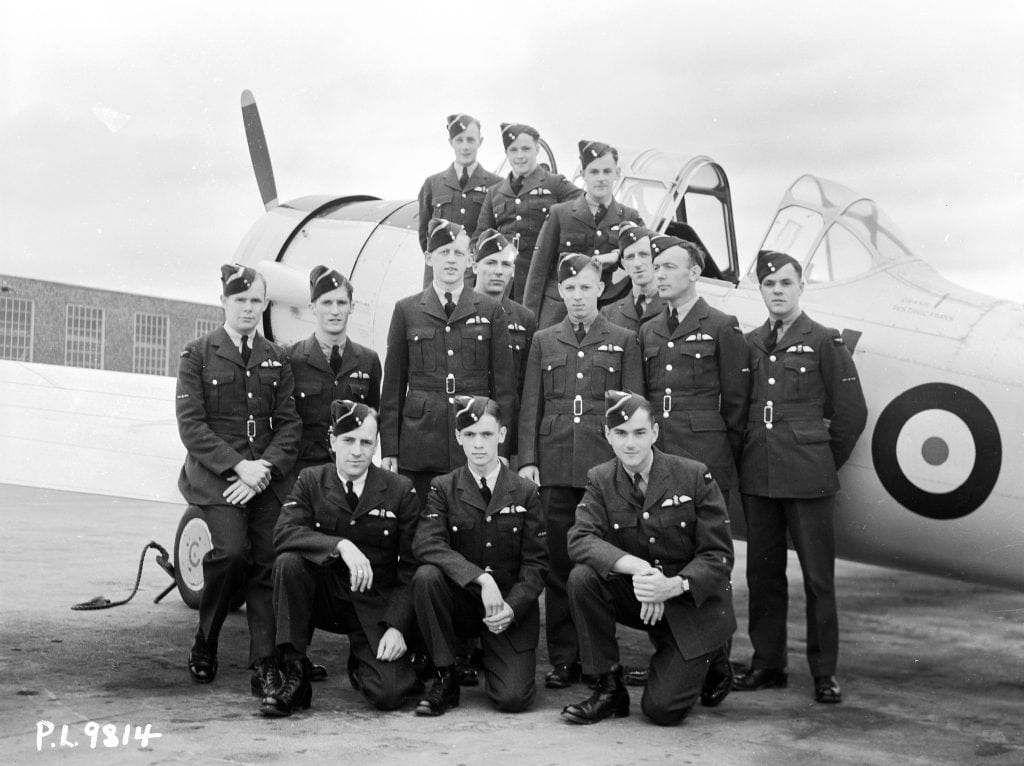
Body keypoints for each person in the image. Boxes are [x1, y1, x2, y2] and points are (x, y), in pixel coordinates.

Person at [731, 250, 867, 704]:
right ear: (760, 290)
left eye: (786, 283)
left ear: (801, 287)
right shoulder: (750, 343)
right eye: (769, 284)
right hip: (760, 475)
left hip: (809, 477)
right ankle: (768, 664)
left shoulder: (825, 341)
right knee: (763, 575)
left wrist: (823, 460)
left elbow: (851, 412)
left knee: (817, 579)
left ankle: (824, 673)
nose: (778, 291)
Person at [561, 391, 736, 726]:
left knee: (662, 711)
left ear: (655, 432)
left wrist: (672, 585)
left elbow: (719, 556)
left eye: (639, 432)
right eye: (621, 433)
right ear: (608, 435)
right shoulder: (600, 478)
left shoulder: (693, 475)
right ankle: (608, 688)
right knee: (583, 578)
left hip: (691, 601)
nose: (630, 444)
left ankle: (712, 654)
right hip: (643, 595)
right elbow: (580, 539)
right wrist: (641, 569)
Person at [175, 264, 301, 703]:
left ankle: (263, 662)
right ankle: (206, 639)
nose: (248, 308)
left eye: (255, 301)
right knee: (229, 554)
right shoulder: (197, 354)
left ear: (265, 304)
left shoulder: (277, 357)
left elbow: (289, 424)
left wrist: (263, 468)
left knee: (269, 557)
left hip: (263, 477)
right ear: (224, 302)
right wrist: (238, 467)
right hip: (217, 479)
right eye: (240, 300)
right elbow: (192, 427)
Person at [517, 254, 642, 689]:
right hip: (554, 466)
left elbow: (632, 412)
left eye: (585, 287)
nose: (577, 296)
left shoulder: (624, 340)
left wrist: (626, 468)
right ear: (560, 291)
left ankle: (595, 659)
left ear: (601, 289)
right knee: (558, 566)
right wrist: (528, 460)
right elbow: (530, 405)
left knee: (598, 566)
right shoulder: (544, 340)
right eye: (569, 288)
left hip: (602, 471)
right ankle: (564, 658)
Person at [265, 400, 421, 716]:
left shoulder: (399, 489)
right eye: (348, 440)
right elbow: (283, 534)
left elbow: (412, 566)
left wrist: (397, 626)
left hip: (372, 604)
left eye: (366, 442)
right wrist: (340, 546)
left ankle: (361, 662)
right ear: (333, 441)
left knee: (389, 694)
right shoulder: (311, 480)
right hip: (322, 599)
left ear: (376, 445)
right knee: (289, 563)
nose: (357, 451)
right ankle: (295, 672)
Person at [412, 396, 548, 715]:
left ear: (502, 434)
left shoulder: (525, 492)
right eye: (469, 434)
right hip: (462, 602)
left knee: (513, 699)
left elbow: (537, 564)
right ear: (458, 437)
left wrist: (513, 608)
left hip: (507, 607)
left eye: (486, 434)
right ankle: (446, 676)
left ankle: (494, 658)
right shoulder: (443, 488)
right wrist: (481, 579)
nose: (478, 444)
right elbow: (427, 544)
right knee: (426, 577)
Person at [380, 218, 517, 504]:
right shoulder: (406, 310)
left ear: (470, 260)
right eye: (444, 252)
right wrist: (390, 449)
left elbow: (504, 387)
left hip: (474, 442)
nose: (451, 260)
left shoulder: (490, 311)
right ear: (429, 258)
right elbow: (393, 387)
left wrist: (502, 450)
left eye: (458, 253)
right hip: (420, 444)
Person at [524, 140, 643, 328]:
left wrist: (616, 256)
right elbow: (537, 272)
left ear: (617, 173)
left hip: (606, 311)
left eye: (607, 171)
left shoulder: (629, 217)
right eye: (594, 172)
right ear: (582, 174)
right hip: (559, 311)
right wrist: (528, 322)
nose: (601, 178)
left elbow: (651, 251)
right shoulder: (560, 214)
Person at [288, 265, 381, 481]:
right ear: (312, 307)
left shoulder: (368, 361)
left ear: (352, 307)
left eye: (341, 303)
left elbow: (373, 419)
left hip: (350, 474)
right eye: (326, 303)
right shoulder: (292, 358)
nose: (335, 311)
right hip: (303, 473)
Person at [475, 123, 581, 302]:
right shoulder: (495, 192)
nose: (520, 156)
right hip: (503, 285)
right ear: (507, 153)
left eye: (526, 149)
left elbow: (585, 209)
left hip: (541, 284)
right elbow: (480, 236)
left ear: (537, 149)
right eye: (513, 150)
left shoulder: (555, 184)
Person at [417, 113, 502, 254]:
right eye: (459, 140)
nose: (465, 147)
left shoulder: (497, 185)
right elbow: (424, 236)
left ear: (480, 141)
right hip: (442, 266)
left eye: (471, 140)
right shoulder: (432, 184)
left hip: (477, 266)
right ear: (451, 142)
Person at [472, 227, 537, 400]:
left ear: (513, 270)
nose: (499, 271)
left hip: (506, 411)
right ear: (475, 266)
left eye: (506, 264)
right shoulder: (457, 310)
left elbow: (526, 384)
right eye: (491, 263)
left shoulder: (524, 319)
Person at [598, 222, 663, 333]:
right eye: (630, 257)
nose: (637, 263)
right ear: (624, 264)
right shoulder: (608, 314)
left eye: (644, 255)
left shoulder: (677, 306)